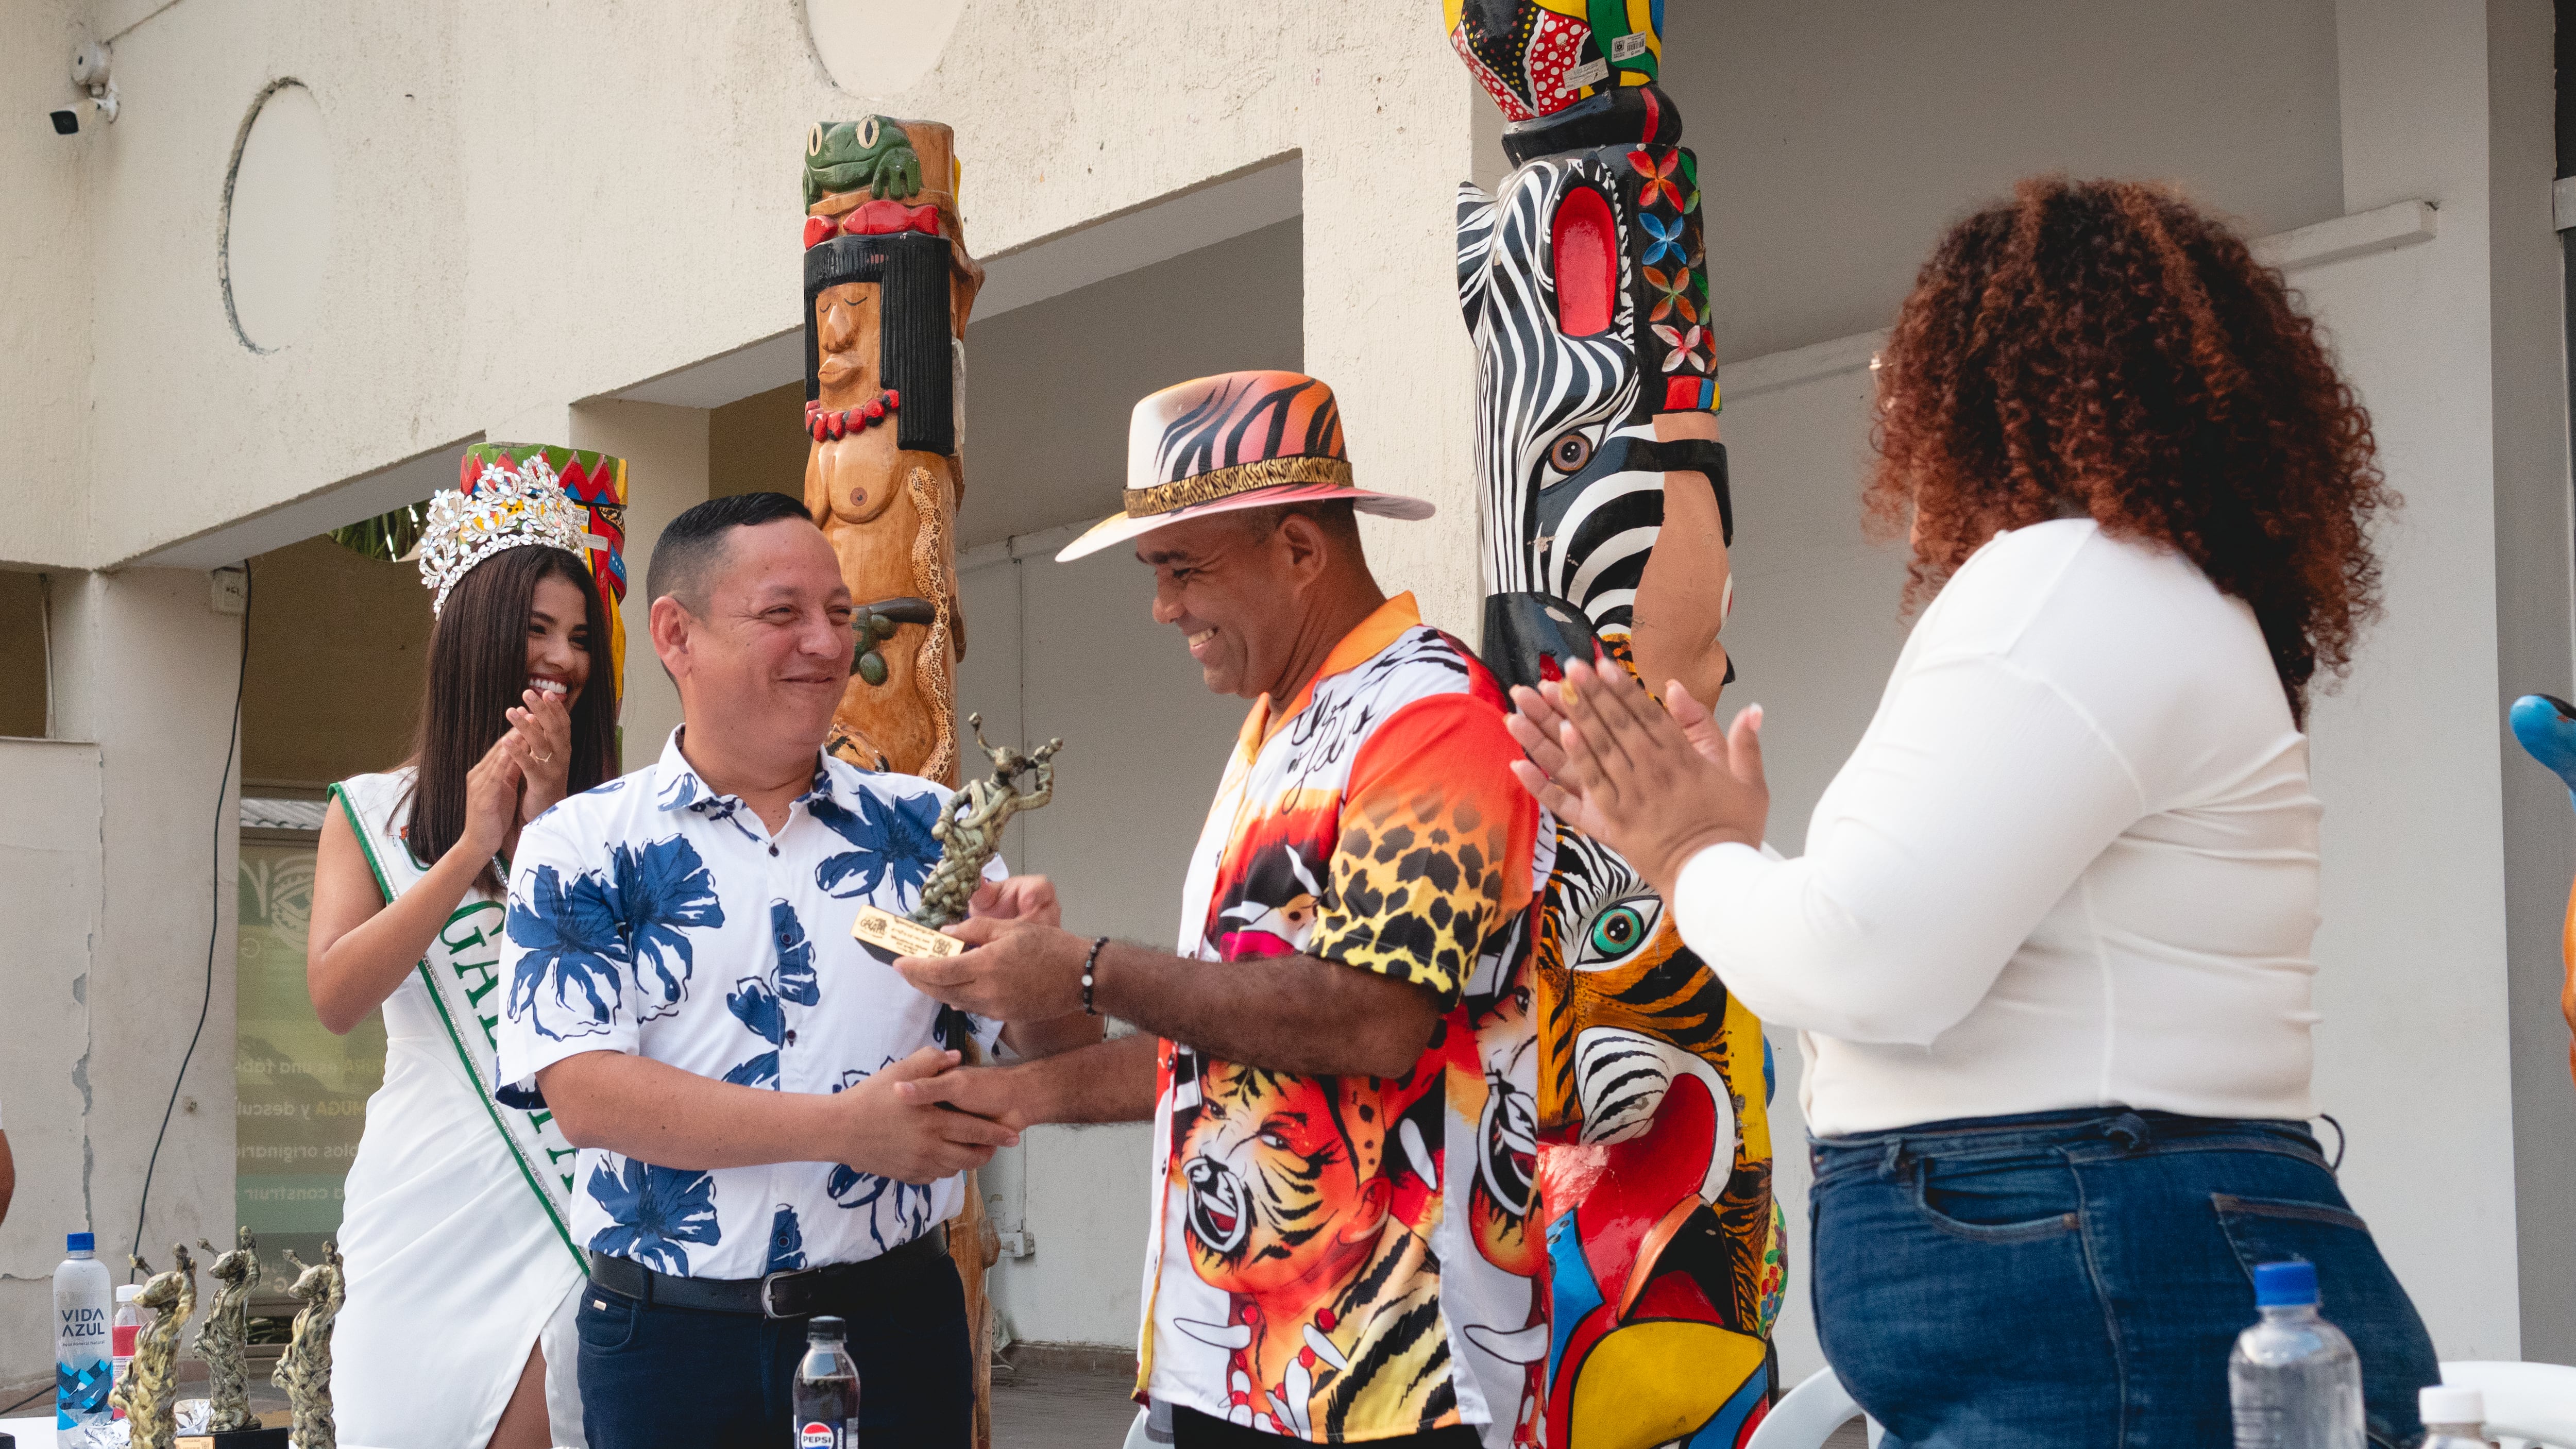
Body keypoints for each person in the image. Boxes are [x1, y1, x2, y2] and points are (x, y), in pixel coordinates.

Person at [1508, 177, 2438, 1448]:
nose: (1889, 387)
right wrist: (1724, 854)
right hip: (2121, 1242)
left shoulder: (2067, 581)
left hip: (2096, 1252)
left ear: (1992, 377)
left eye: (1910, 354)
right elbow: (1906, 951)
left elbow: (1867, 959)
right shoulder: (2145, 596)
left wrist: (1689, 849)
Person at [886, 371, 1548, 1448]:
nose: (1163, 608)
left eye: (1181, 570)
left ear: (1299, 548)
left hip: (1390, 1378)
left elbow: (1369, 1018)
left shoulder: (1429, 718)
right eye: (1154, 573)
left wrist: (1086, 966)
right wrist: (1007, 1096)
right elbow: (1231, 1044)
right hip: (1237, 1365)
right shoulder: (1282, 723)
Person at [492, 490, 1093, 1449]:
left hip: (895, 1323)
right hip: (667, 1339)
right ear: (674, 633)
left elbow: (1055, 1053)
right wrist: (849, 1131)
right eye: (783, 614)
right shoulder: (582, 845)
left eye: (839, 614)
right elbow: (586, 1095)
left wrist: (1049, 975)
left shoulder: (932, 831)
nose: (827, 645)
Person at [307, 445, 627, 1449]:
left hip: (564, 1191)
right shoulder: (366, 811)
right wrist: (472, 848)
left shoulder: (615, 822)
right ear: (478, 636)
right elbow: (336, 993)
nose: (564, 656)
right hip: (426, 1198)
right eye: (537, 628)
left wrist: (548, 831)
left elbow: (616, 999)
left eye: (579, 635)